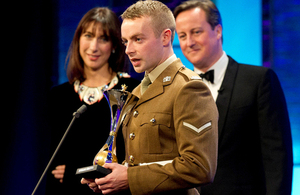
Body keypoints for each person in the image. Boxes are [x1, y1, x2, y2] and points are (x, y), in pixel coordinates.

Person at [81, 1, 218, 194]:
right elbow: (139, 162)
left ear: (165, 37)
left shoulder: (189, 87)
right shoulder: (136, 91)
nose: (128, 50)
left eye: (138, 39)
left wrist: (129, 178)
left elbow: (199, 167)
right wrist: (109, 178)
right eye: (125, 41)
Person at [174, 0, 293, 194]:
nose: (189, 42)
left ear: (218, 31)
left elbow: (277, 159)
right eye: (182, 36)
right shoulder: (177, 88)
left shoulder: (259, 81)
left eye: (196, 32)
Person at [45, 7, 139, 195]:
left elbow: (131, 153)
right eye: (88, 36)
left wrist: (73, 169)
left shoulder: (131, 91)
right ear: (78, 39)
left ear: (114, 45)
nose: (94, 47)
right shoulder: (58, 96)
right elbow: (51, 164)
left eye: (103, 39)